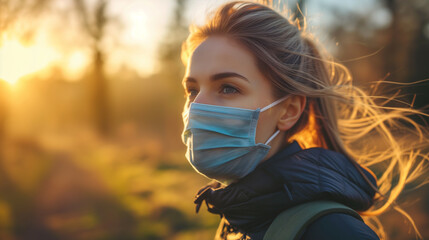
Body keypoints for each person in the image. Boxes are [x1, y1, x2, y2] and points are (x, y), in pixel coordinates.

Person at [180, 1, 429, 239]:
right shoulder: (238, 212)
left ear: (288, 110)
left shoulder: (334, 232)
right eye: (192, 90)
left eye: (228, 88)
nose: (196, 106)